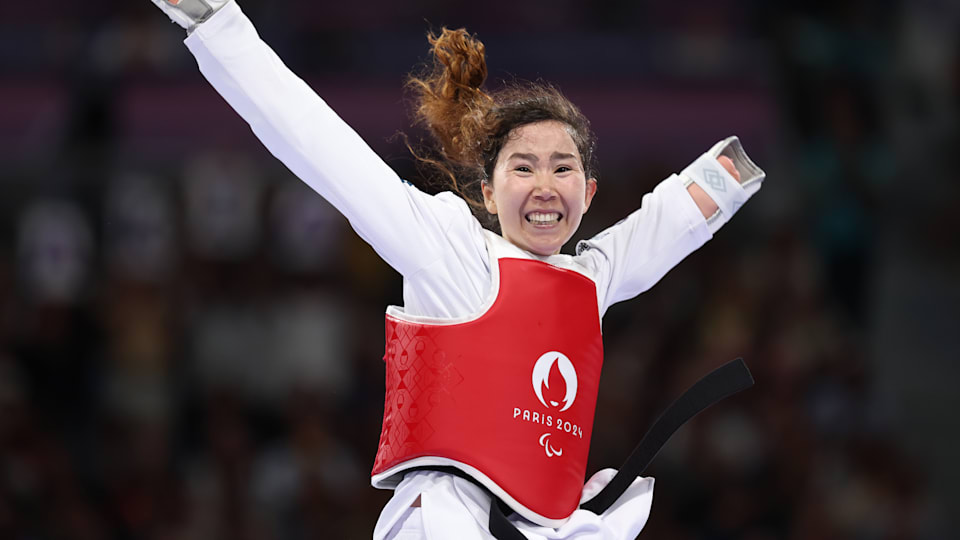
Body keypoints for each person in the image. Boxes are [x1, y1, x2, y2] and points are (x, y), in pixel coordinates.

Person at [149, 1, 766, 539]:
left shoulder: (590, 279)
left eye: (563, 167)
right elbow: (319, 145)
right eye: (523, 168)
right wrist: (216, 23)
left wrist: (731, 170)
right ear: (489, 195)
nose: (545, 185)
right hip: (444, 523)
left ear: (590, 190)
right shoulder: (449, 251)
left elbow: (664, 225)